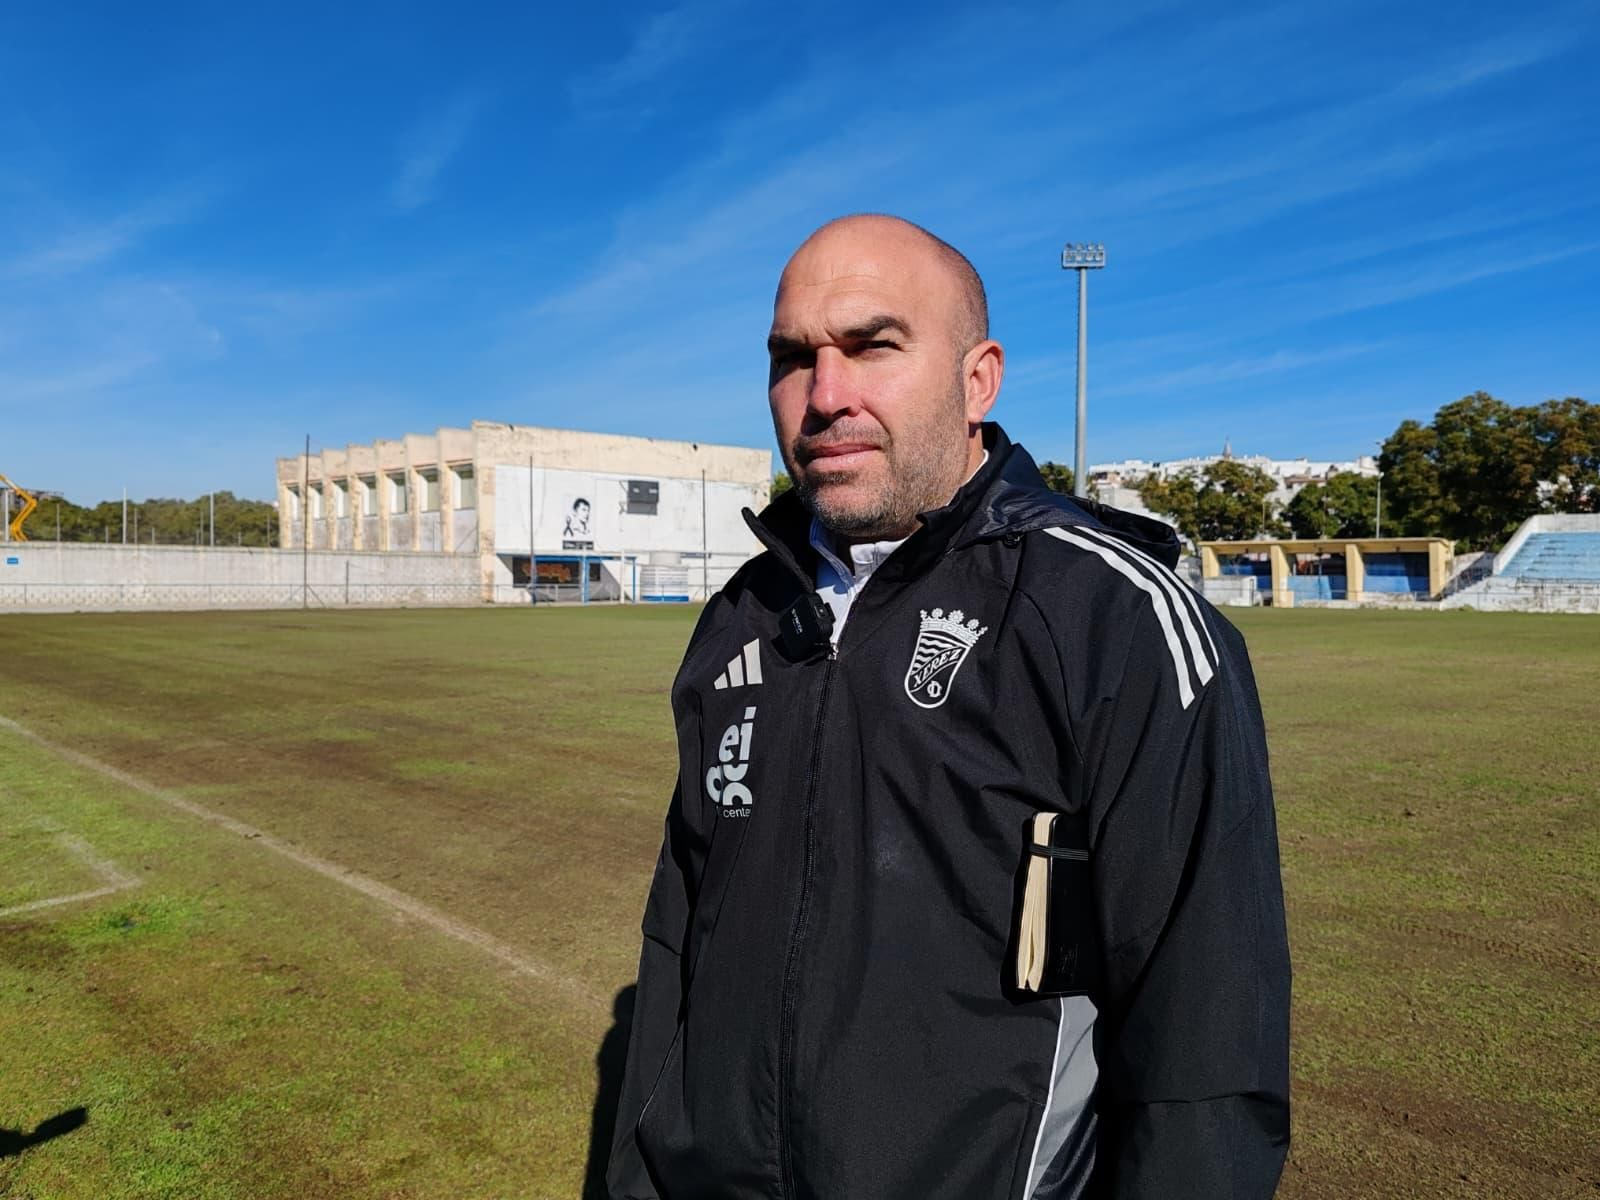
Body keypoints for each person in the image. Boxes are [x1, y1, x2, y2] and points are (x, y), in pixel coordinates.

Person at [608, 214, 1291, 1199]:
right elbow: (677, 950)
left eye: (872, 346)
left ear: (978, 379)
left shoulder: (1115, 618)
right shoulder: (738, 620)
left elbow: (1208, 1053)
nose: (825, 395)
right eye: (793, 359)